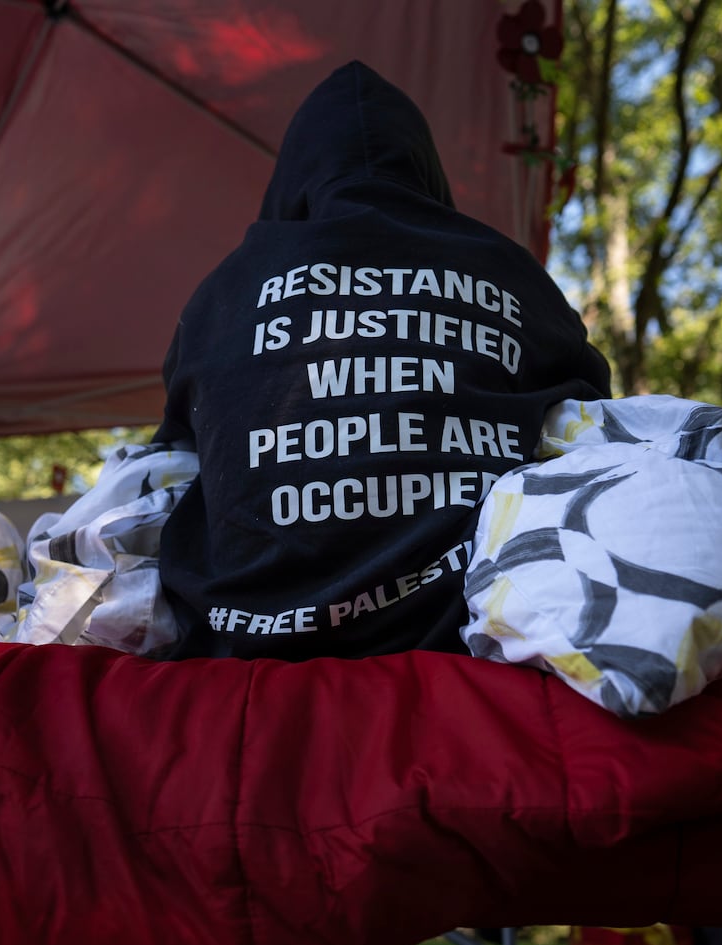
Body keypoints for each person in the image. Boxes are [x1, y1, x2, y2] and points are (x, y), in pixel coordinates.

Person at [153, 61, 611, 660]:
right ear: (425, 171)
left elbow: (173, 458)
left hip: (246, 644)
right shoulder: (508, 268)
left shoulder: (223, 293)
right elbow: (593, 421)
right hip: (466, 630)